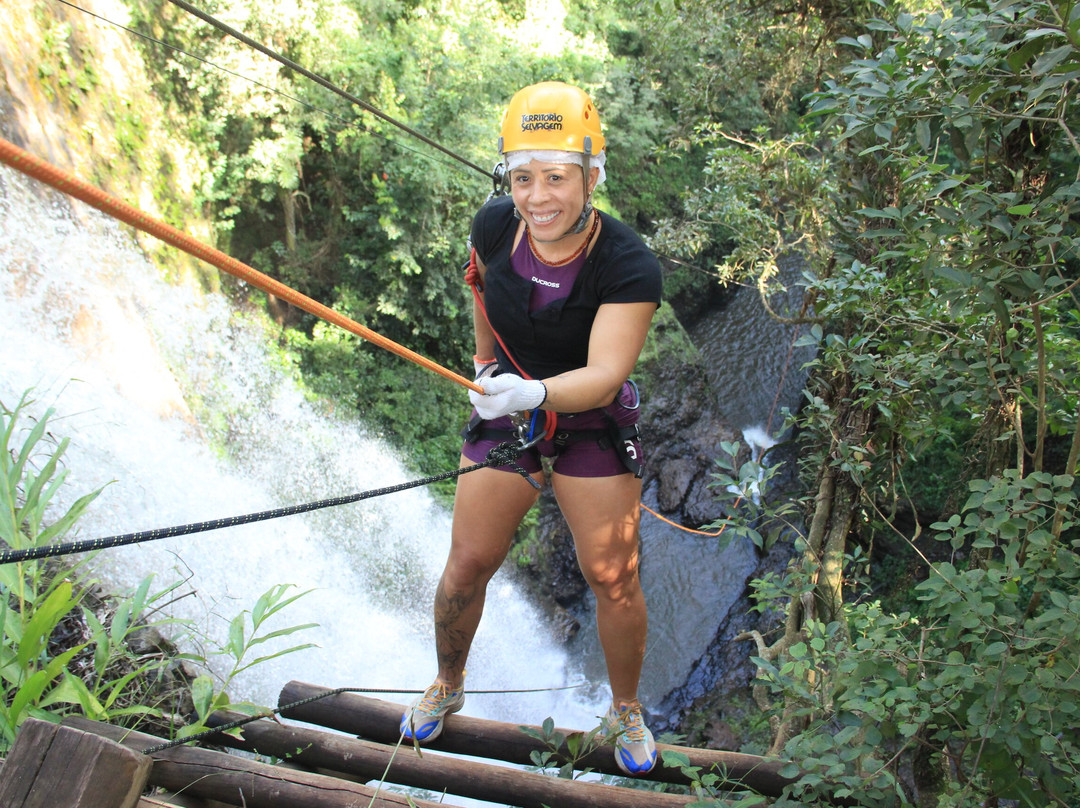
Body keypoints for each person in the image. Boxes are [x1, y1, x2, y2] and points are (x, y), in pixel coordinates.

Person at [400, 81, 663, 777]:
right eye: (523, 178)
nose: (538, 197)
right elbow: (482, 287)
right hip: (512, 409)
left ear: (591, 177)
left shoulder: (627, 263)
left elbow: (605, 373)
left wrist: (538, 389)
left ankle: (628, 709)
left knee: (613, 577)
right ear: (506, 179)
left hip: (589, 420)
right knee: (468, 562)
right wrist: (486, 363)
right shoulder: (493, 226)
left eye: (556, 177)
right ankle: (447, 685)